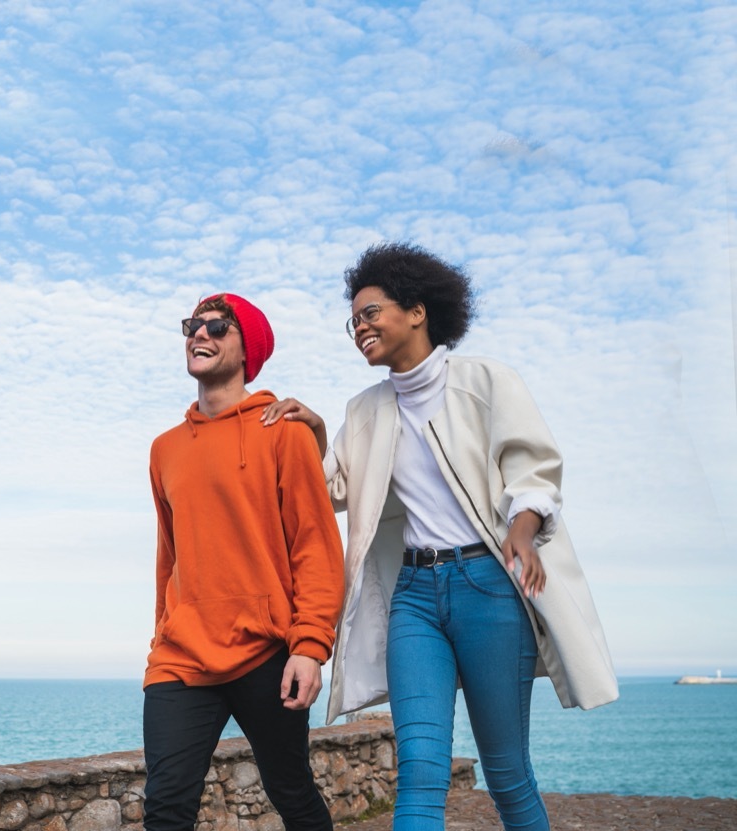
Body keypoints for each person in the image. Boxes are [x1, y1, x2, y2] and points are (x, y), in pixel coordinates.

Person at [263, 243, 618, 831]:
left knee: (507, 774)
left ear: (417, 311)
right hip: (414, 598)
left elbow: (533, 470)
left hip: (488, 588)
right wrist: (317, 433)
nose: (360, 328)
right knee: (420, 773)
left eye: (370, 313)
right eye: (353, 321)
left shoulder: (485, 380)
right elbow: (332, 491)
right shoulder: (365, 410)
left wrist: (524, 530)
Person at [143, 292, 346, 831]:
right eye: (193, 325)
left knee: (292, 793)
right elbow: (169, 555)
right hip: (182, 655)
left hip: (268, 650)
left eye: (217, 327)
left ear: (247, 349)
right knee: (164, 809)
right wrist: (162, 632)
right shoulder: (164, 449)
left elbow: (315, 546)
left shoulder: (284, 431)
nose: (199, 333)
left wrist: (310, 646)